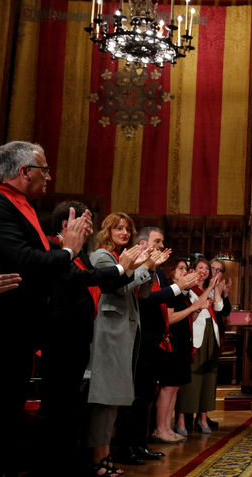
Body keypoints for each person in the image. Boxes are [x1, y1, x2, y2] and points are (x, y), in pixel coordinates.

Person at [0, 141, 92, 474]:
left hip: (22, 325)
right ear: (24, 171)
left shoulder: (18, 204)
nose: (49, 176)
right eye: (44, 169)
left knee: (11, 407)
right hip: (1, 324)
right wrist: (69, 251)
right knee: (0, 408)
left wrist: (61, 246)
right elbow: (26, 260)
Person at [41, 201, 141, 475]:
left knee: (73, 408)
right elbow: (91, 280)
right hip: (62, 339)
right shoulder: (54, 250)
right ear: (66, 224)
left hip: (78, 340)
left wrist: (128, 268)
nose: (90, 229)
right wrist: (125, 268)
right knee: (61, 409)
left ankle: (77, 460)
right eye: (85, 223)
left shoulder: (80, 255)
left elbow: (100, 280)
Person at [88, 212, 157, 476]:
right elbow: (119, 288)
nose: (124, 233)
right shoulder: (103, 257)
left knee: (114, 398)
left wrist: (147, 269)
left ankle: (104, 455)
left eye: (127, 229)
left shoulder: (123, 257)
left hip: (124, 333)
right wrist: (144, 267)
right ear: (107, 231)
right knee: (105, 397)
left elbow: (143, 292)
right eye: (118, 228)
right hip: (108, 334)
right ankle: (98, 458)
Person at [113, 227, 174, 465]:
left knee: (146, 396)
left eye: (161, 242)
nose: (160, 246)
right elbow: (143, 298)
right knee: (135, 397)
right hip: (139, 340)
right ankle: (126, 447)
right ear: (143, 243)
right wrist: (178, 288)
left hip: (153, 342)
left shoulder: (158, 272)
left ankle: (140, 444)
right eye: (157, 241)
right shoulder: (138, 266)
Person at [152, 259, 203, 443]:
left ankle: (168, 426)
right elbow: (170, 318)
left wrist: (196, 307)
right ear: (171, 271)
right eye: (180, 268)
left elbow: (190, 315)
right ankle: (160, 428)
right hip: (171, 343)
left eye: (186, 269)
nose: (184, 271)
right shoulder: (171, 292)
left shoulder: (182, 293)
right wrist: (192, 308)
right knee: (168, 388)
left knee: (175, 388)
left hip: (182, 342)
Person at [175, 255, 226, 435]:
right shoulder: (187, 288)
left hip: (211, 334)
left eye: (207, 269)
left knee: (208, 378)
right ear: (192, 271)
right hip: (195, 336)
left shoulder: (209, 289)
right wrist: (209, 288)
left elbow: (219, 308)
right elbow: (193, 308)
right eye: (201, 268)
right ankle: (181, 420)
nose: (204, 272)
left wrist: (216, 288)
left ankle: (203, 418)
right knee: (191, 378)